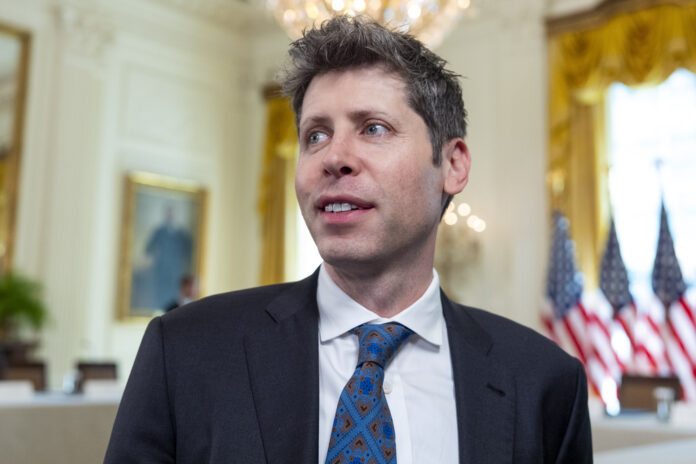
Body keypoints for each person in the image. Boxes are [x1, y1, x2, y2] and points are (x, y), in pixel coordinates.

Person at [105, 15, 592, 464]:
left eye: (373, 128)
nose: (333, 157)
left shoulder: (545, 383)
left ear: (452, 165)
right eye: (315, 135)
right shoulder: (185, 351)